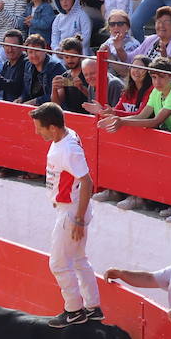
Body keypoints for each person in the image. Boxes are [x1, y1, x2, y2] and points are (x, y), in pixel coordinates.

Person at [31, 101, 101, 327]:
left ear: (52, 128)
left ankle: (73, 310)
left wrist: (78, 219)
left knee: (59, 264)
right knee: (79, 259)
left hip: (71, 211)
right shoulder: (68, 135)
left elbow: (88, 182)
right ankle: (93, 307)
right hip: (72, 206)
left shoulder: (67, 149)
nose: (37, 132)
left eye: (39, 127)